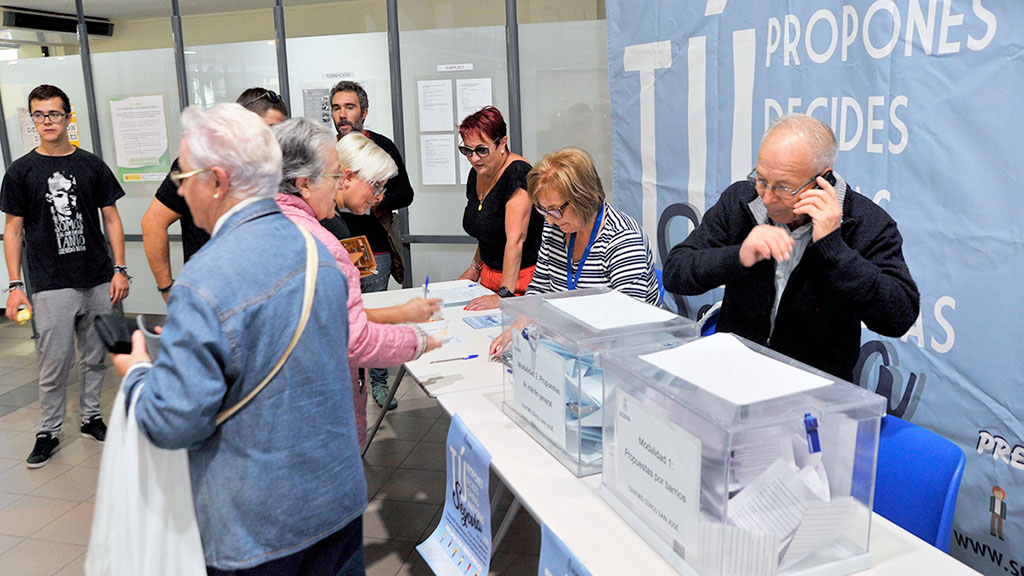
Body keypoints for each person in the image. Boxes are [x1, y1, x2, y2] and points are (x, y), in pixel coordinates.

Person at [111, 103, 366, 575]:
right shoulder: (322, 251)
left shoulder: (203, 281)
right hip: (338, 503)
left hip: (257, 526)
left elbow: (176, 422)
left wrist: (139, 376)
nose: (181, 190)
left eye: (185, 176)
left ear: (219, 181)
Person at [663, 114, 919, 381]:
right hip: (733, 375)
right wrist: (738, 257)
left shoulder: (867, 223)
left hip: (813, 392)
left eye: (784, 187)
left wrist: (834, 249)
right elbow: (675, 272)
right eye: (761, 179)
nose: (767, 197)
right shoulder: (740, 201)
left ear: (823, 180)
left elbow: (898, 316)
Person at [272, 118, 441, 446]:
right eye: (336, 175)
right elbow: (351, 338)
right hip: (317, 409)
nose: (378, 197)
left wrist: (400, 313)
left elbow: (334, 316)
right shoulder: (320, 241)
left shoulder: (273, 222)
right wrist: (418, 341)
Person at [2, 84, 130, 468]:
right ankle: (49, 431)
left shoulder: (90, 165)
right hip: (51, 283)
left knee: (95, 358)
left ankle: (91, 418)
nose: (46, 121)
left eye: (54, 114)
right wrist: (14, 286)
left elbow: (112, 218)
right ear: (32, 119)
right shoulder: (21, 171)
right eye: (39, 115)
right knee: (54, 361)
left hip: (97, 277)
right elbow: (12, 230)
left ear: (68, 117)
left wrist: (120, 269)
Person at [488, 147, 660, 356]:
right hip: (573, 346)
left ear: (583, 197)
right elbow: (540, 288)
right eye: (543, 210)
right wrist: (516, 329)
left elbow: (627, 324)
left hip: (623, 355)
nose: (550, 219)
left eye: (555, 210)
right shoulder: (556, 228)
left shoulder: (622, 240)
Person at [140, 87, 288, 302]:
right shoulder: (199, 162)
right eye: (267, 130)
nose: (273, 140)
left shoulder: (272, 167)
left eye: (278, 132)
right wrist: (167, 289)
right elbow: (152, 224)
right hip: (211, 295)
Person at [328, 80, 415, 410]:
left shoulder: (381, 147)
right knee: (345, 318)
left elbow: (404, 193)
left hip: (373, 245)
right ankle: (351, 388)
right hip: (337, 242)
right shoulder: (327, 152)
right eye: (336, 108)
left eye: (349, 107)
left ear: (363, 111)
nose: (342, 114)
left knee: (373, 318)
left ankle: (378, 382)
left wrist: (374, 199)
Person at [458, 106, 544, 311]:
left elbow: (516, 239)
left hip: (520, 281)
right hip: (490, 277)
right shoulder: (478, 173)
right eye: (467, 150)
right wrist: (475, 268)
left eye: (482, 150)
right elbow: (486, 229)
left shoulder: (518, 173)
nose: (474, 158)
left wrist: (504, 293)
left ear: (502, 143)